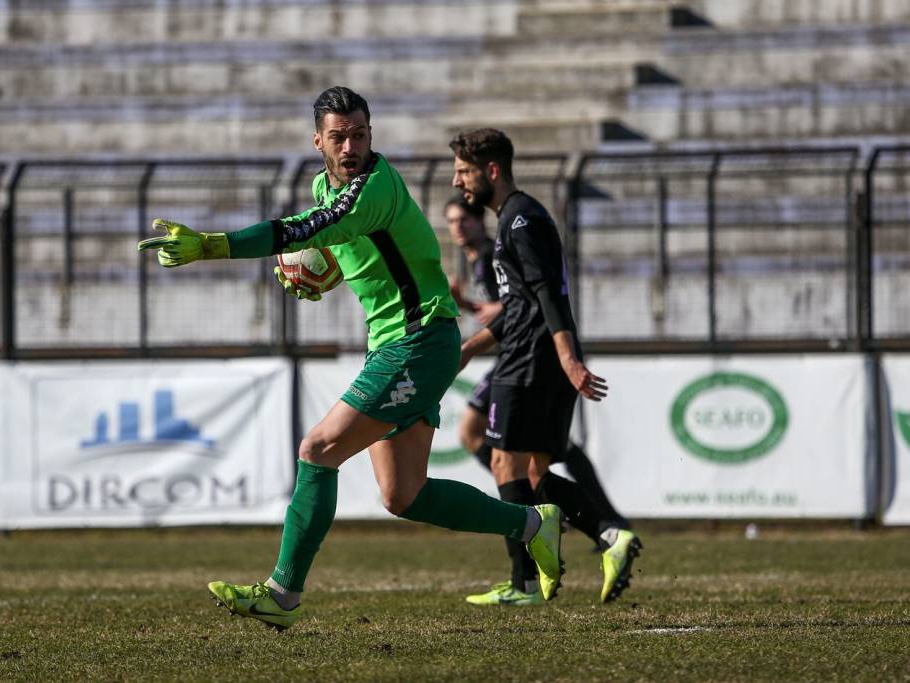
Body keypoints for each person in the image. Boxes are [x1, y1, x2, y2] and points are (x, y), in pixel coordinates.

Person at [137, 87, 565, 632]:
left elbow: (306, 230)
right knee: (403, 494)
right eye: (338, 136)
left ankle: (282, 594)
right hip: (398, 343)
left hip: (417, 340)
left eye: (359, 134)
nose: (350, 146)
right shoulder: (325, 187)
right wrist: (319, 272)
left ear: (370, 136)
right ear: (318, 140)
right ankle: (533, 524)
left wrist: (212, 245)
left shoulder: (372, 188)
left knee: (317, 449)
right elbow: (352, 247)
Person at [450, 129, 642, 605]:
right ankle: (610, 537)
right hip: (532, 353)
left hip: (530, 359)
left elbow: (547, 295)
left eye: (464, 171)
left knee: (503, 462)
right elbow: (519, 304)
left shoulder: (520, 221)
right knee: (535, 475)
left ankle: (524, 584)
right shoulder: (516, 219)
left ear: (491, 170)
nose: (458, 181)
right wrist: (472, 347)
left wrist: (567, 357)